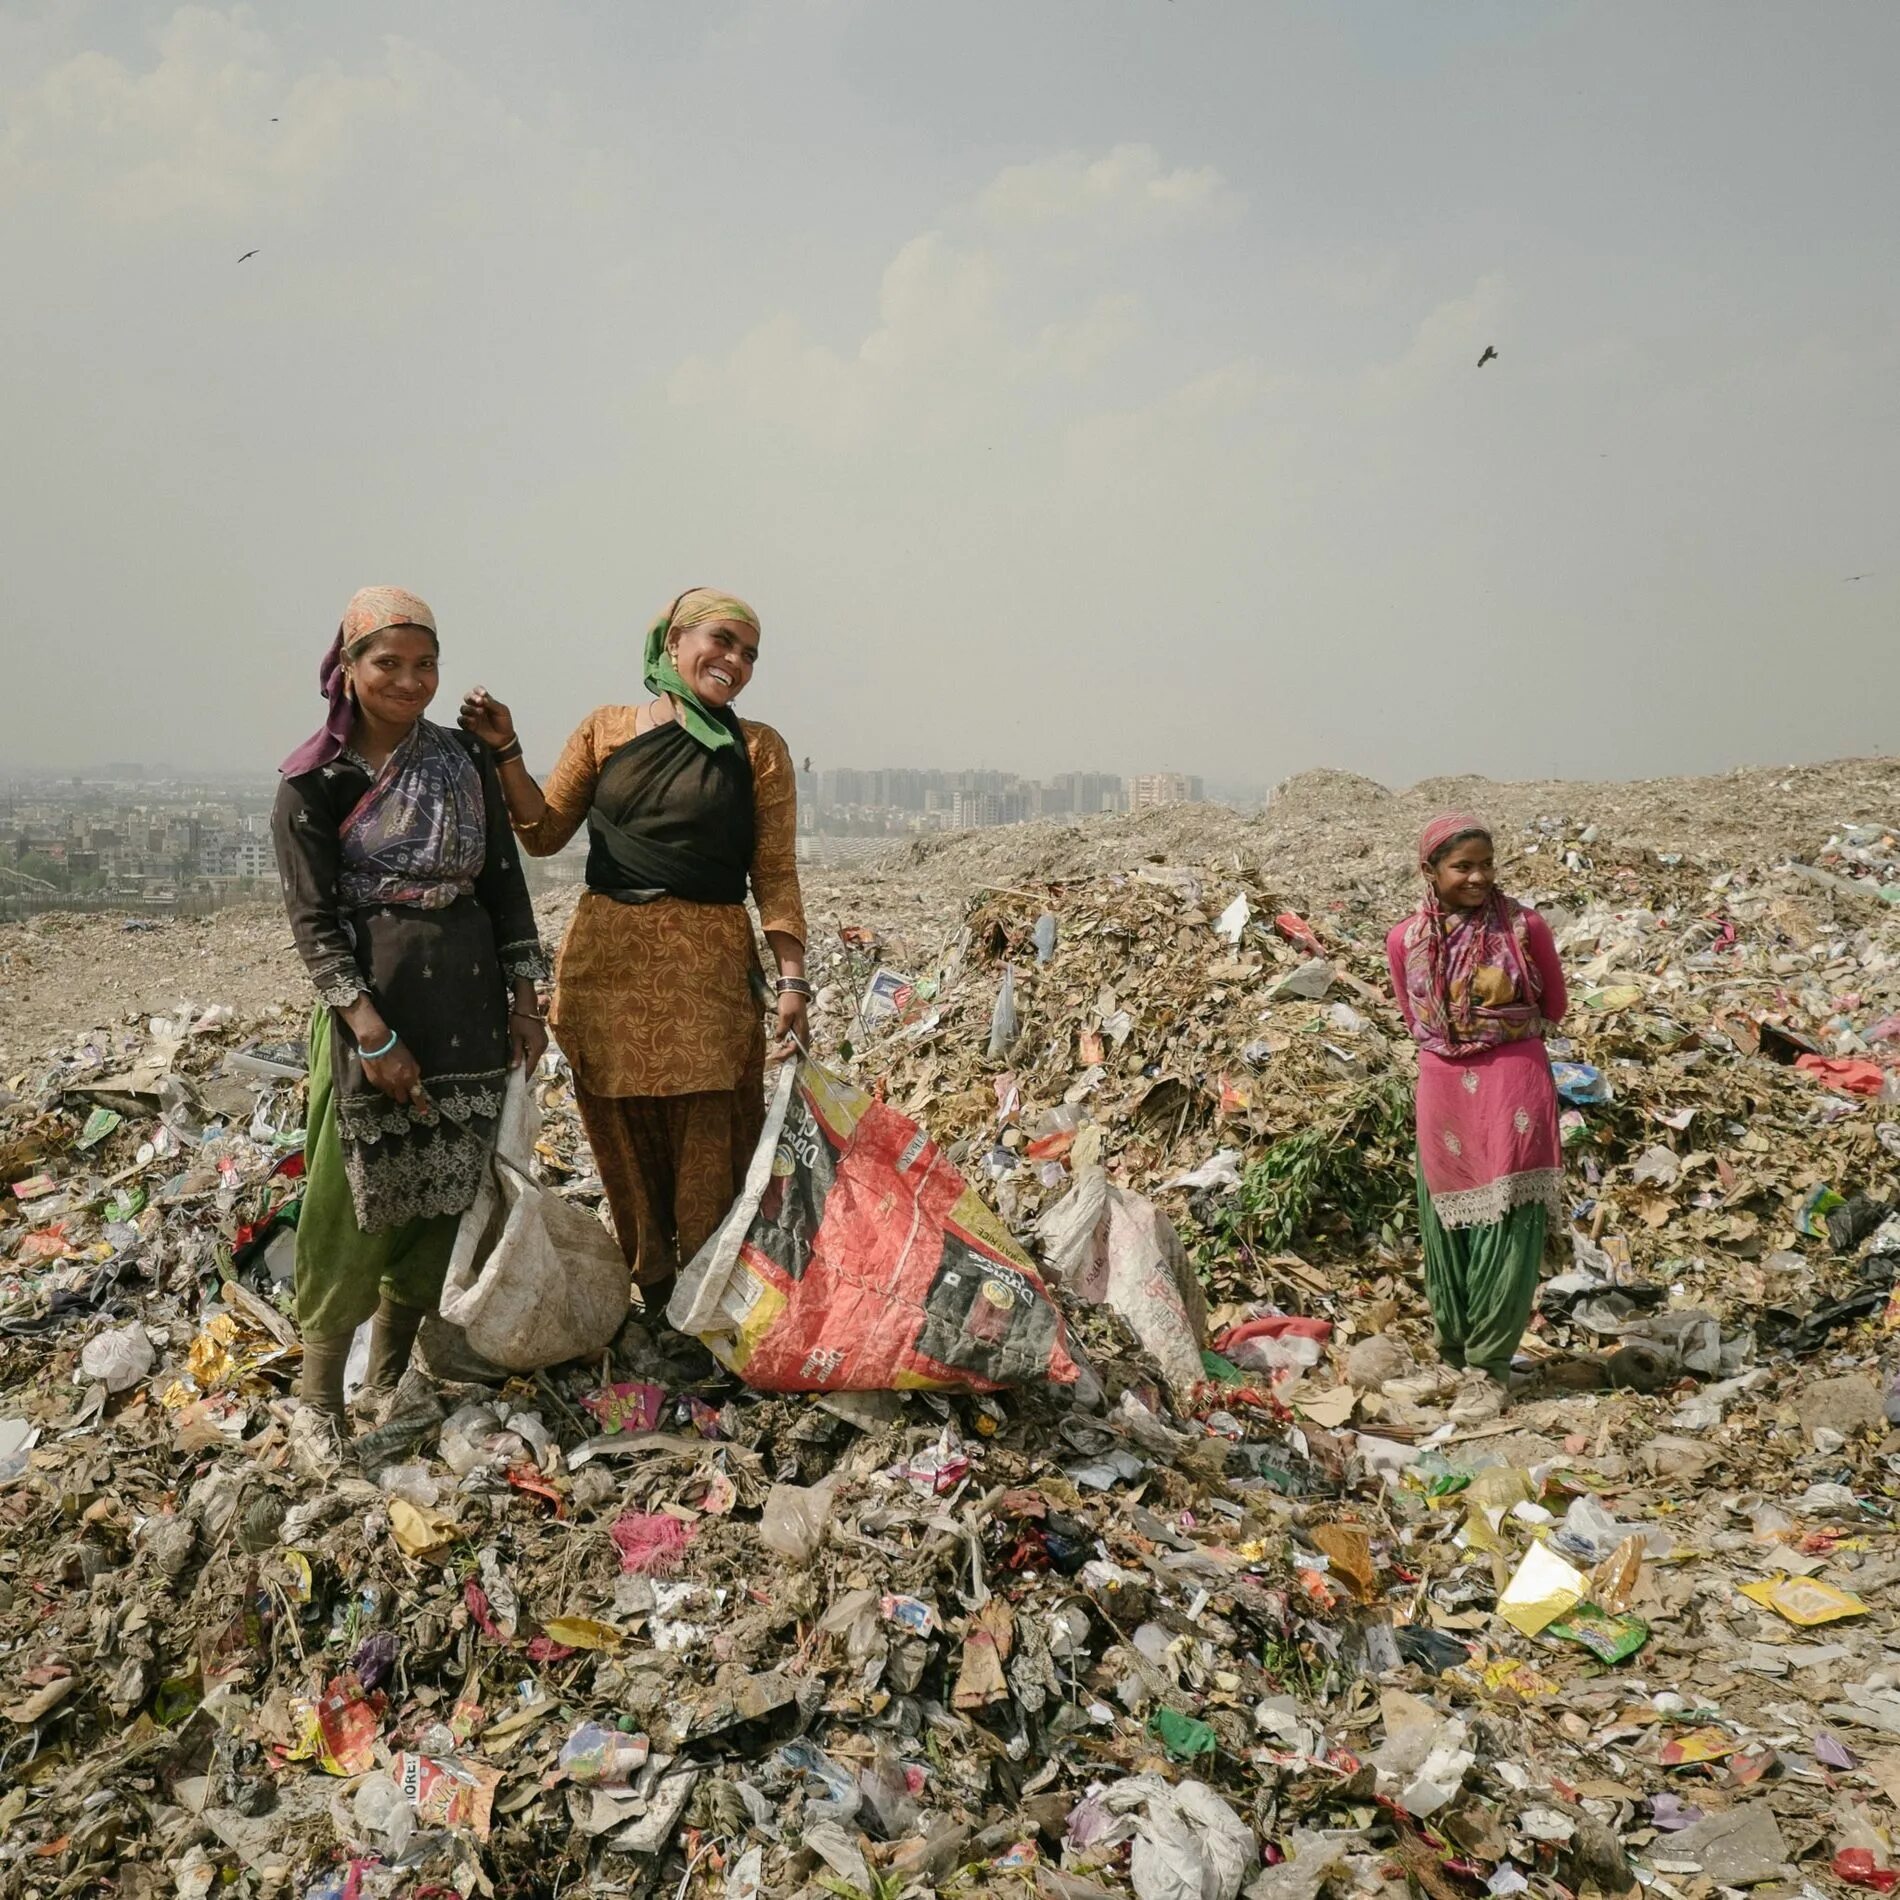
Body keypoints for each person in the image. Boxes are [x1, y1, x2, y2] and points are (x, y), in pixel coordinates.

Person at [458, 587, 807, 1321]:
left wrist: (793, 981)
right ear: (673, 642)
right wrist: (508, 753)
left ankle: (708, 1303)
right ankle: (652, 1296)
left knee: (715, 1131)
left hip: (709, 975)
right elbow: (543, 831)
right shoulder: (606, 731)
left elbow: (774, 870)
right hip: (607, 972)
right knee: (622, 1135)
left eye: (750, 654)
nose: (737, 662)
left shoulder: (758, 750)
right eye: (723, 641)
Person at [274, 586, 548, 1436]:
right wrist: (370, 1031)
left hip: (466, 1007)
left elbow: (506, 885)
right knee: (349, 1207)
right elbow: (314, 924)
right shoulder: (315, 779)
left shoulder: (461, 759)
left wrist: (527, 998)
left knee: (442, 1206)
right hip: (379, 1014)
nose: (409, 679)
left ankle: (386, 1387)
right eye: (387, 662)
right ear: (347, 669)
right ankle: (317, 1403)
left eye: (423, 663)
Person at [1386, 814, 1567, 1424]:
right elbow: (1414, 1017)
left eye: (1487, 864)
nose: (1479, 877)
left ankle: (1489, 1371)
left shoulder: (1525, 927)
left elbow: (1556, 1004)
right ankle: (1452, 1354)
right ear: (1430, 871)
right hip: (1443, 1084)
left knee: (1509, 1218)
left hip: (1514, 1079)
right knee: (1448, 1219)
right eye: (1463, 866)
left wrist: (1493, 1023)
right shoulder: (1405, 940)